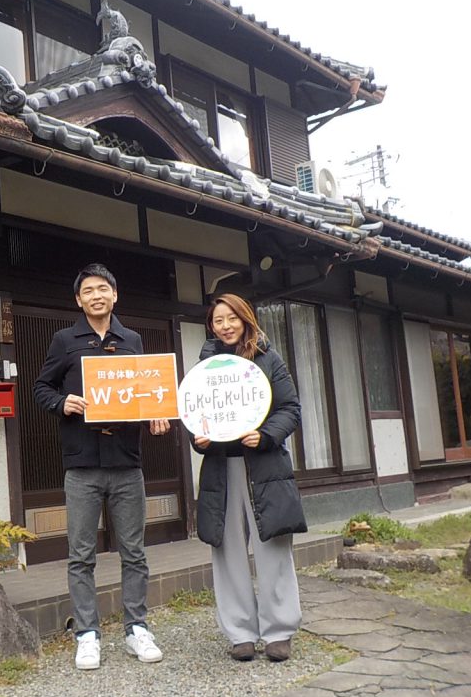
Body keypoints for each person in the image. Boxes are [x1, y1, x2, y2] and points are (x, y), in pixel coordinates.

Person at [33, 263, 170, 671]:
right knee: (81, 554)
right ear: (79, 300)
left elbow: (144, 391)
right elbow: (41, 388)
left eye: (103, 289)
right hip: (82, 464)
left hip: (127, 461)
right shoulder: (64, 340)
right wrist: (63, 403)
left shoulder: (132, 339)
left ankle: (136, 628)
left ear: (115, 295)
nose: (96, 295)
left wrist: (156, 414)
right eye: (88, 290)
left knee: (134, 551)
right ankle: (87, 634)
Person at [193, 293, 307, 662]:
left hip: (264, 466)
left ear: (246, 319)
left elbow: (290, 408)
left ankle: (279, 630)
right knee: (227, 552)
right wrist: (198, 437)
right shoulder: (206, 366)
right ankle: (240, 632)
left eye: (231, 318)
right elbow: (191, 412)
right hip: (221, 467)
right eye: (217, 321)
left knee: (273, 546)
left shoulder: (269, 359)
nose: (225, 326)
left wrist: (267, 434)